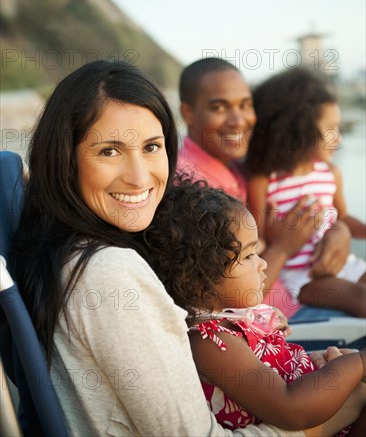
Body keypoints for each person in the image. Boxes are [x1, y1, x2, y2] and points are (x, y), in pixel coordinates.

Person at [10, 59, 306, 437]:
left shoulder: (70, 248)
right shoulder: (111, 274)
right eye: (109, 151)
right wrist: (320, 420)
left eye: (152, 147)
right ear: (66, 161)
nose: (139, 177)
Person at [146, 179, 366, 435]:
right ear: (198, 279)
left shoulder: (236, 316)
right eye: (249, 255)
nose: (263, 264)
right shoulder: (212, 343)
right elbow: (291, 409)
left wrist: (322, 364)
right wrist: (359, 363)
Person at [178, 57, 352, 318]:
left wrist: (341, 228)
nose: (238, 120)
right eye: (219, 107)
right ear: (188, 113)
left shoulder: (236, 166)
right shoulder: (191, 187)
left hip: (290, 300)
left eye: (246, 105)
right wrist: (281, 248)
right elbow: (231, 303)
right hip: (269, 322)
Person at [246, 68, 366, 317]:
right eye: (331, 128)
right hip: (302, 278)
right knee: (361, 298)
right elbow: (256, 238)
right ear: (298, 130)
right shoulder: (266, 181)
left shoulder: (330, 172)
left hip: (345, 265)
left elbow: (342, 218)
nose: (338, 138)